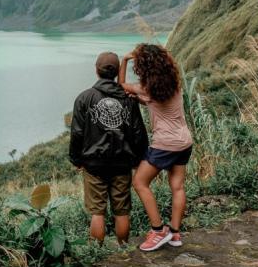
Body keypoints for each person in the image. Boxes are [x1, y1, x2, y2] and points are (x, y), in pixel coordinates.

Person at [119, 43, 193, 251]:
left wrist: (124, 60)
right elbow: (159, 103)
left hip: (165, 144)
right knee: (177, 187)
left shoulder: (147, 88)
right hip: (184, 141)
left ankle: (158, 229)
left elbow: (121, 84)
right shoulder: (174, 84)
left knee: (140, 182)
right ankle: (175, 233)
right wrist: (143, 101)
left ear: (144, 67)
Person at [69, 52, 149, 245]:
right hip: (122, 163)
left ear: (96, 70)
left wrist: (76, 160)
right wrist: (139, 160)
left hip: (93, 164)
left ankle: (97, 252)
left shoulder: (84, 98)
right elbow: (139, 132)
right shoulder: (128, 99)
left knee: (97, 211)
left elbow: (77, 133)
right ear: (115, 74)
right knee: (122, 210)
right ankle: (123, 249)